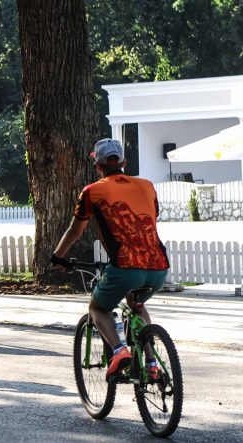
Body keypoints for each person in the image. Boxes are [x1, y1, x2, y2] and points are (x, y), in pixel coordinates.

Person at [51, 138, 169, 382]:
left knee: (97, 308)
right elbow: (152, 216)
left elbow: (76, 230)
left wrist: (58, 257)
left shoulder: (92, 191)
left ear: (98, 165)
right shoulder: (147, 185)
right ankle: (151, 363)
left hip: (126, 266)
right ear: (124, 162)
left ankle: (119, 351)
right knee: (136, 305)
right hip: (158, 267)